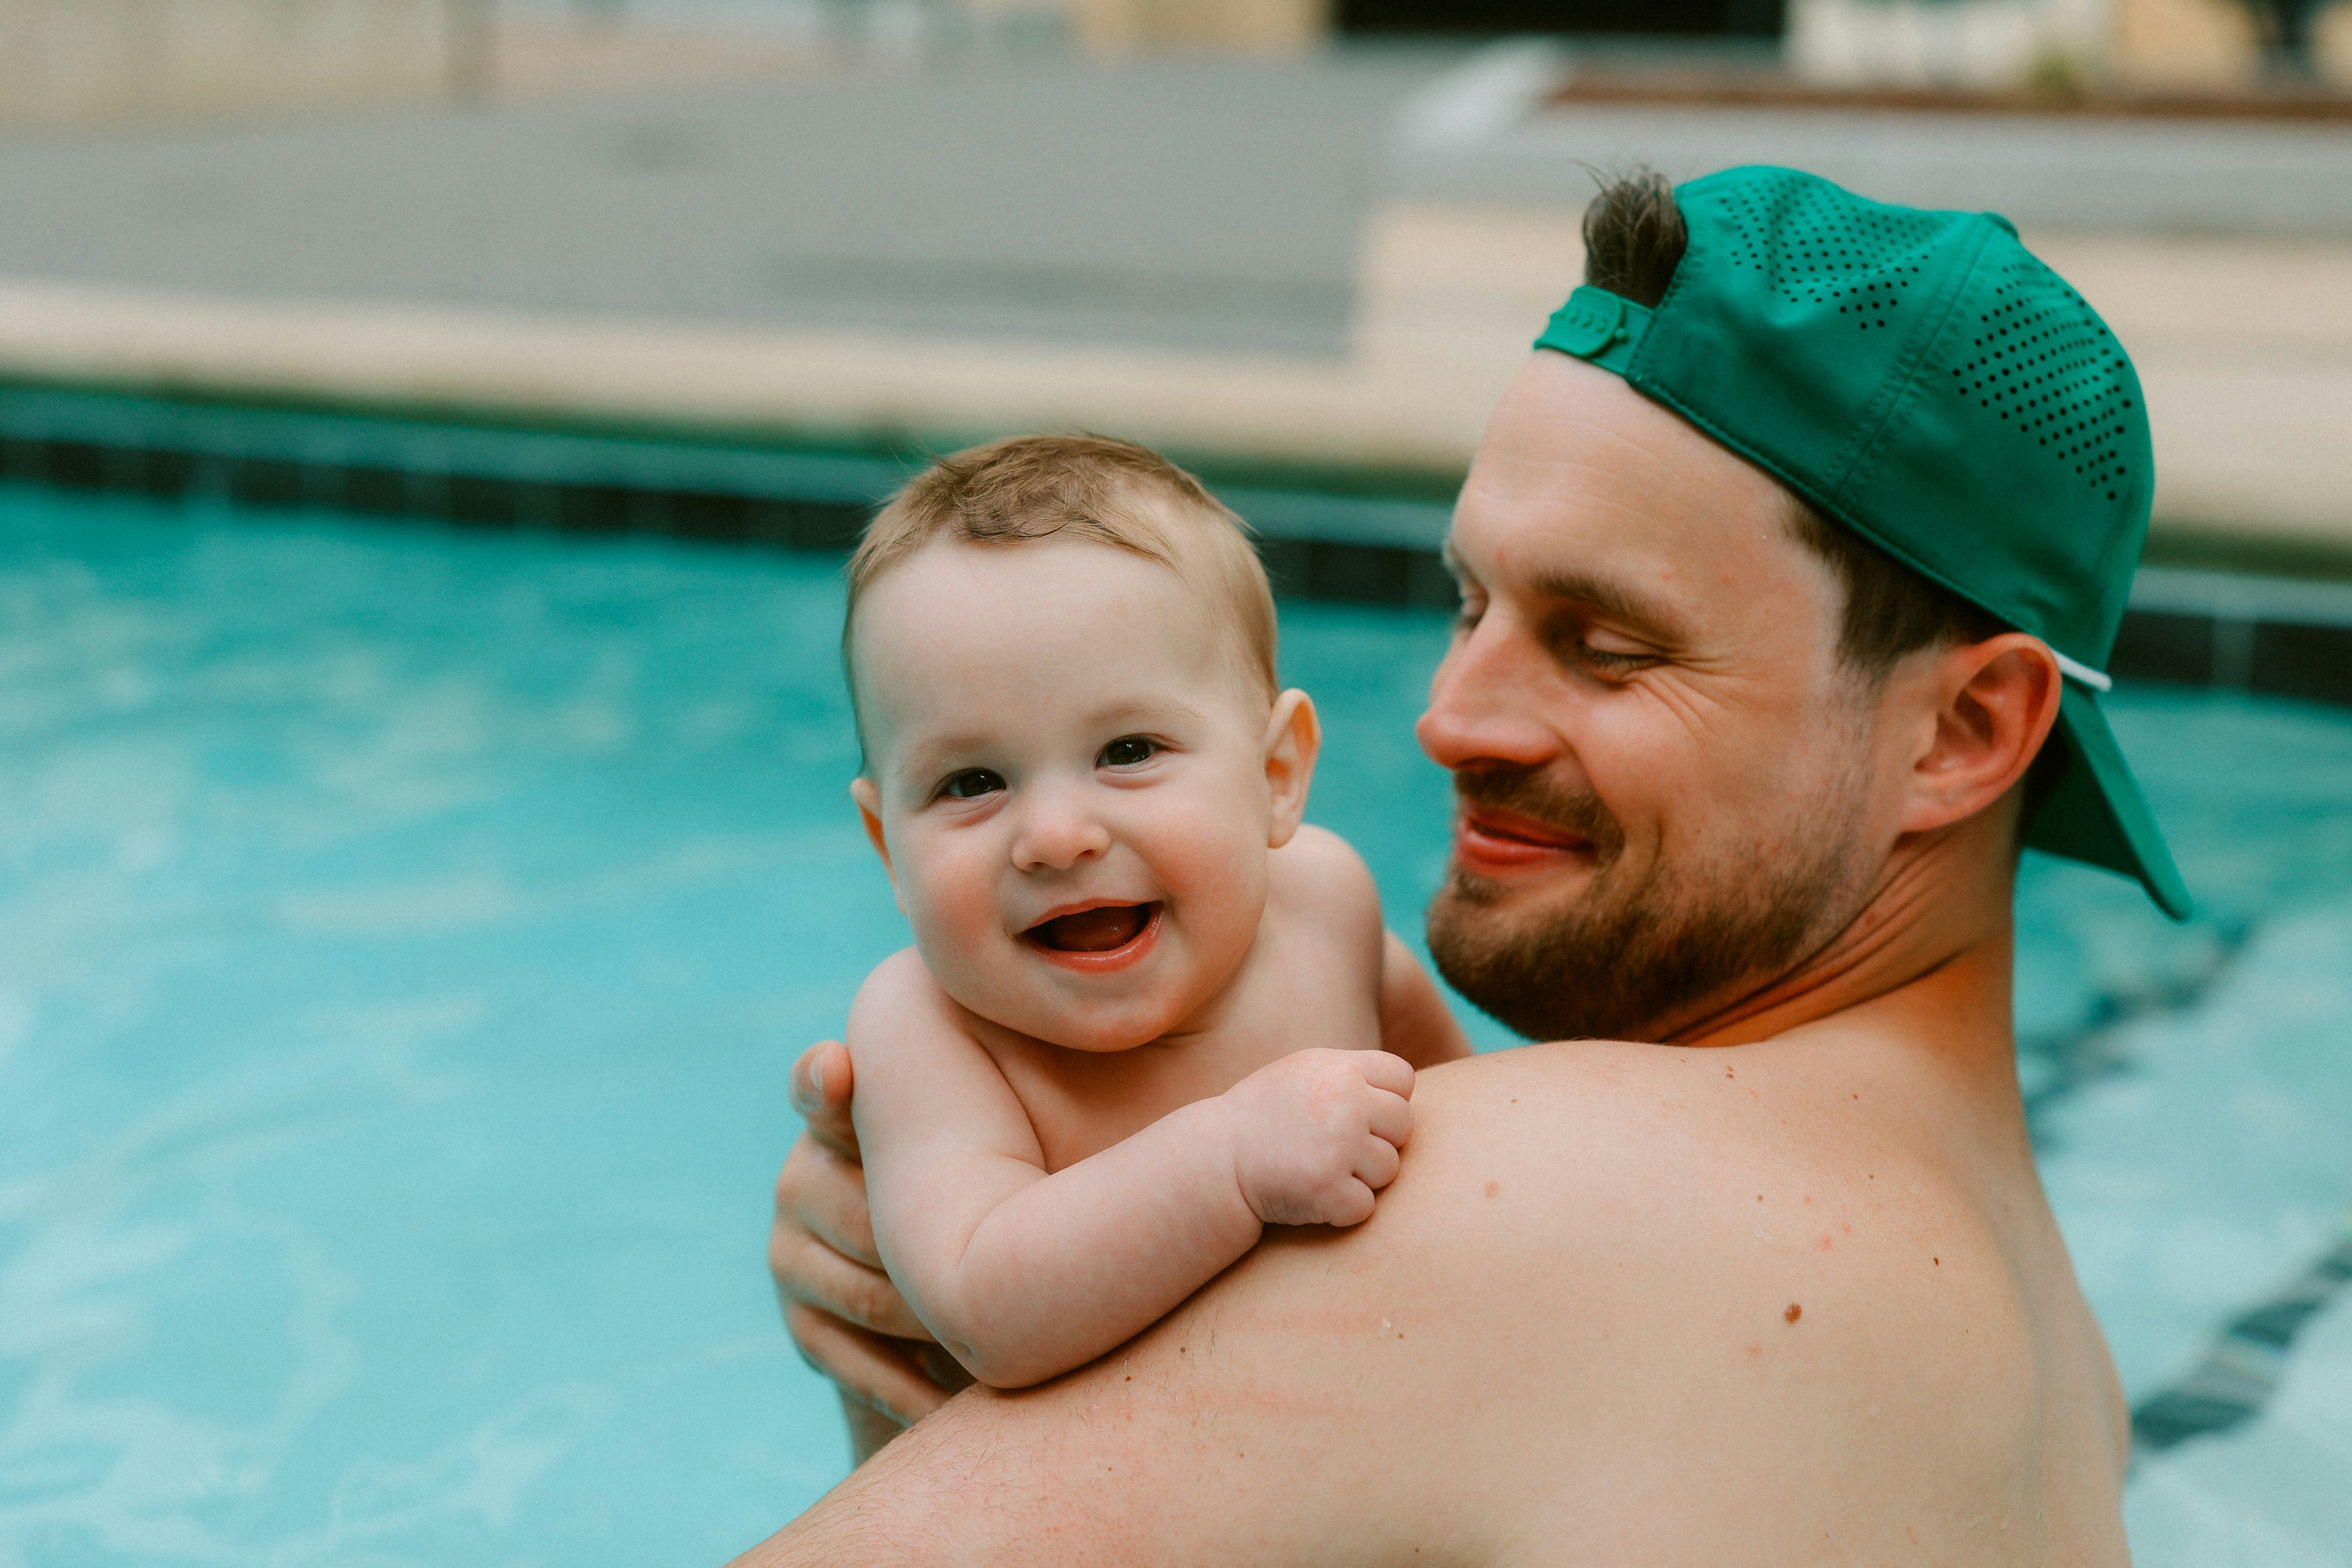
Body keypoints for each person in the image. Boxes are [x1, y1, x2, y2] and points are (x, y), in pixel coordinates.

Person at [741, 165, 2190, 1564]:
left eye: (1606, 647)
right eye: (1468, 601)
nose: (1448, 718)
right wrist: (922, 1331)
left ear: (1964, 727)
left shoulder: (1544, 1215)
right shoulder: (2062, 1347)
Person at [833, 434, 1467, 1392]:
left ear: (1275, 776)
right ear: (890, 848)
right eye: (972, 781)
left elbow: (1466, 1106)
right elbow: (982, 1311)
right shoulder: (927, 1029)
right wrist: (1229, 1160)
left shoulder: (1324, 902)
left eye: (1128, 750)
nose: (1054, 836)